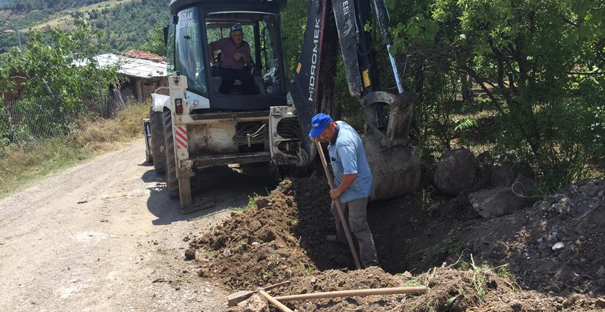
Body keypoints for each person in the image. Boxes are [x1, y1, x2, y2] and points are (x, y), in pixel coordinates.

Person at [309, 113, 379, 268]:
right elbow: (319, 133)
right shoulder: (338, 126)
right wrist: (315, 136)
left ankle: (371, 265)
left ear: (332, 125)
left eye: (323, 133)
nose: (321, 137)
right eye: (318, 134)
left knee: (358, 225)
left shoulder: (343, 143)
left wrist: (337, 191)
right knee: (337, 210)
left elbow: (351, 174)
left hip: (356, 186)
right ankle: (343, 239)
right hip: (344, 181)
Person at [208, 24, 257, 95]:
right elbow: (210, 46)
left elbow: (249, 62)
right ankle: (223, 97)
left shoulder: (245, 45)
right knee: (229, 79)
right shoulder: (225, 42)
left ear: (242, 35)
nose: (238, 37)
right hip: (225, 69)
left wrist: (243, 55)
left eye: (240, 35)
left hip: (239, 70)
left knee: (249, 78)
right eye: (235, 35)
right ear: (231, 36)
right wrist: (213, 61)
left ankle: (247, 99)